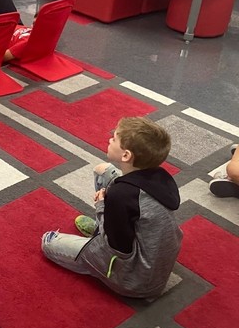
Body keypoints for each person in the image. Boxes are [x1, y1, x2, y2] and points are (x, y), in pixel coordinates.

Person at [41, 117, 182, 299]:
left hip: (134, 280)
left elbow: (117, 248)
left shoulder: (121, 196)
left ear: (126, 155)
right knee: (104, 170)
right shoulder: (161, 176)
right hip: (149, 259)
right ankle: (103, 228)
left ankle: (99, 237)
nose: (109, 140)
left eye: (114, 139)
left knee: (48, 242)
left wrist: (101, 207)